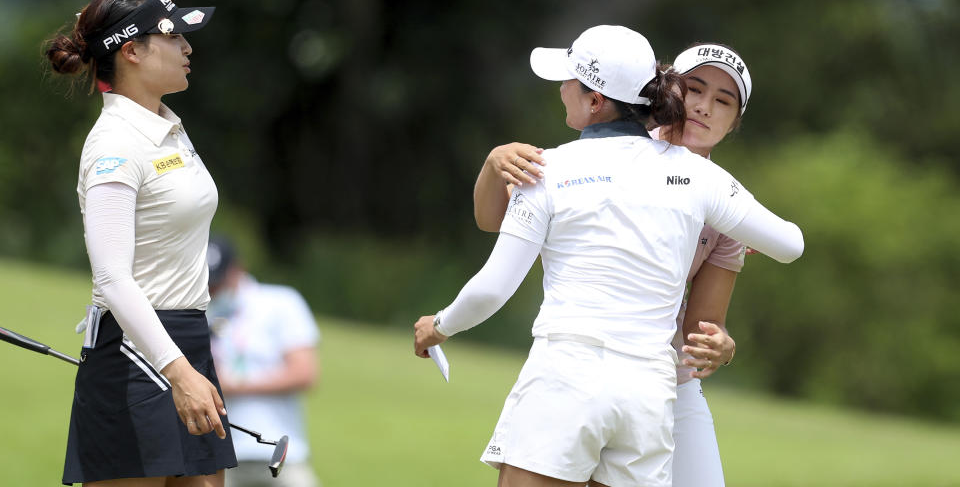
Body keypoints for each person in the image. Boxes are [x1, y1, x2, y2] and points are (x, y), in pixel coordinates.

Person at [413, 24, 803, 487]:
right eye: (695, 90)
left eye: (723, 100)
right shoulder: (707, 184)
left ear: (596, 99)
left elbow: (494, 286)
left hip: (573, 376)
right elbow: (790, 243)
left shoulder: (550, 168)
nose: (561, 90)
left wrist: (439, 325)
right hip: (648, 395)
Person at [473, 42, 755, 487]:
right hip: (579, 366)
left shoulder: (731, 207)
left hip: (667, 385)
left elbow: (705, 325)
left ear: (735, 121)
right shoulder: (600, 157)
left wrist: (719, 343)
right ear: (664, 93)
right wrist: (494, 165)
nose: (704, 107)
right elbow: (494, 220)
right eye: (694, 89)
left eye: (723, 101)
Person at [45, 0, 237, 486]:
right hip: (136, 353)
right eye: (174, 36)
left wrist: (187, 365)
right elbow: (112, 276)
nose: (188, 48)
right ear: (131, 51)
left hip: (187, 340)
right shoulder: (113, 144)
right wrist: (179, 372)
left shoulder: (168, 127)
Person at [205, 236, 321, 487]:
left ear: (238, 269)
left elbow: (304, 373)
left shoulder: (281, 302)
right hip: (221, 455)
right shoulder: (201, 312)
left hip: (281, 451)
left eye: (219, 282)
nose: (214, 291)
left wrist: (234, 385)